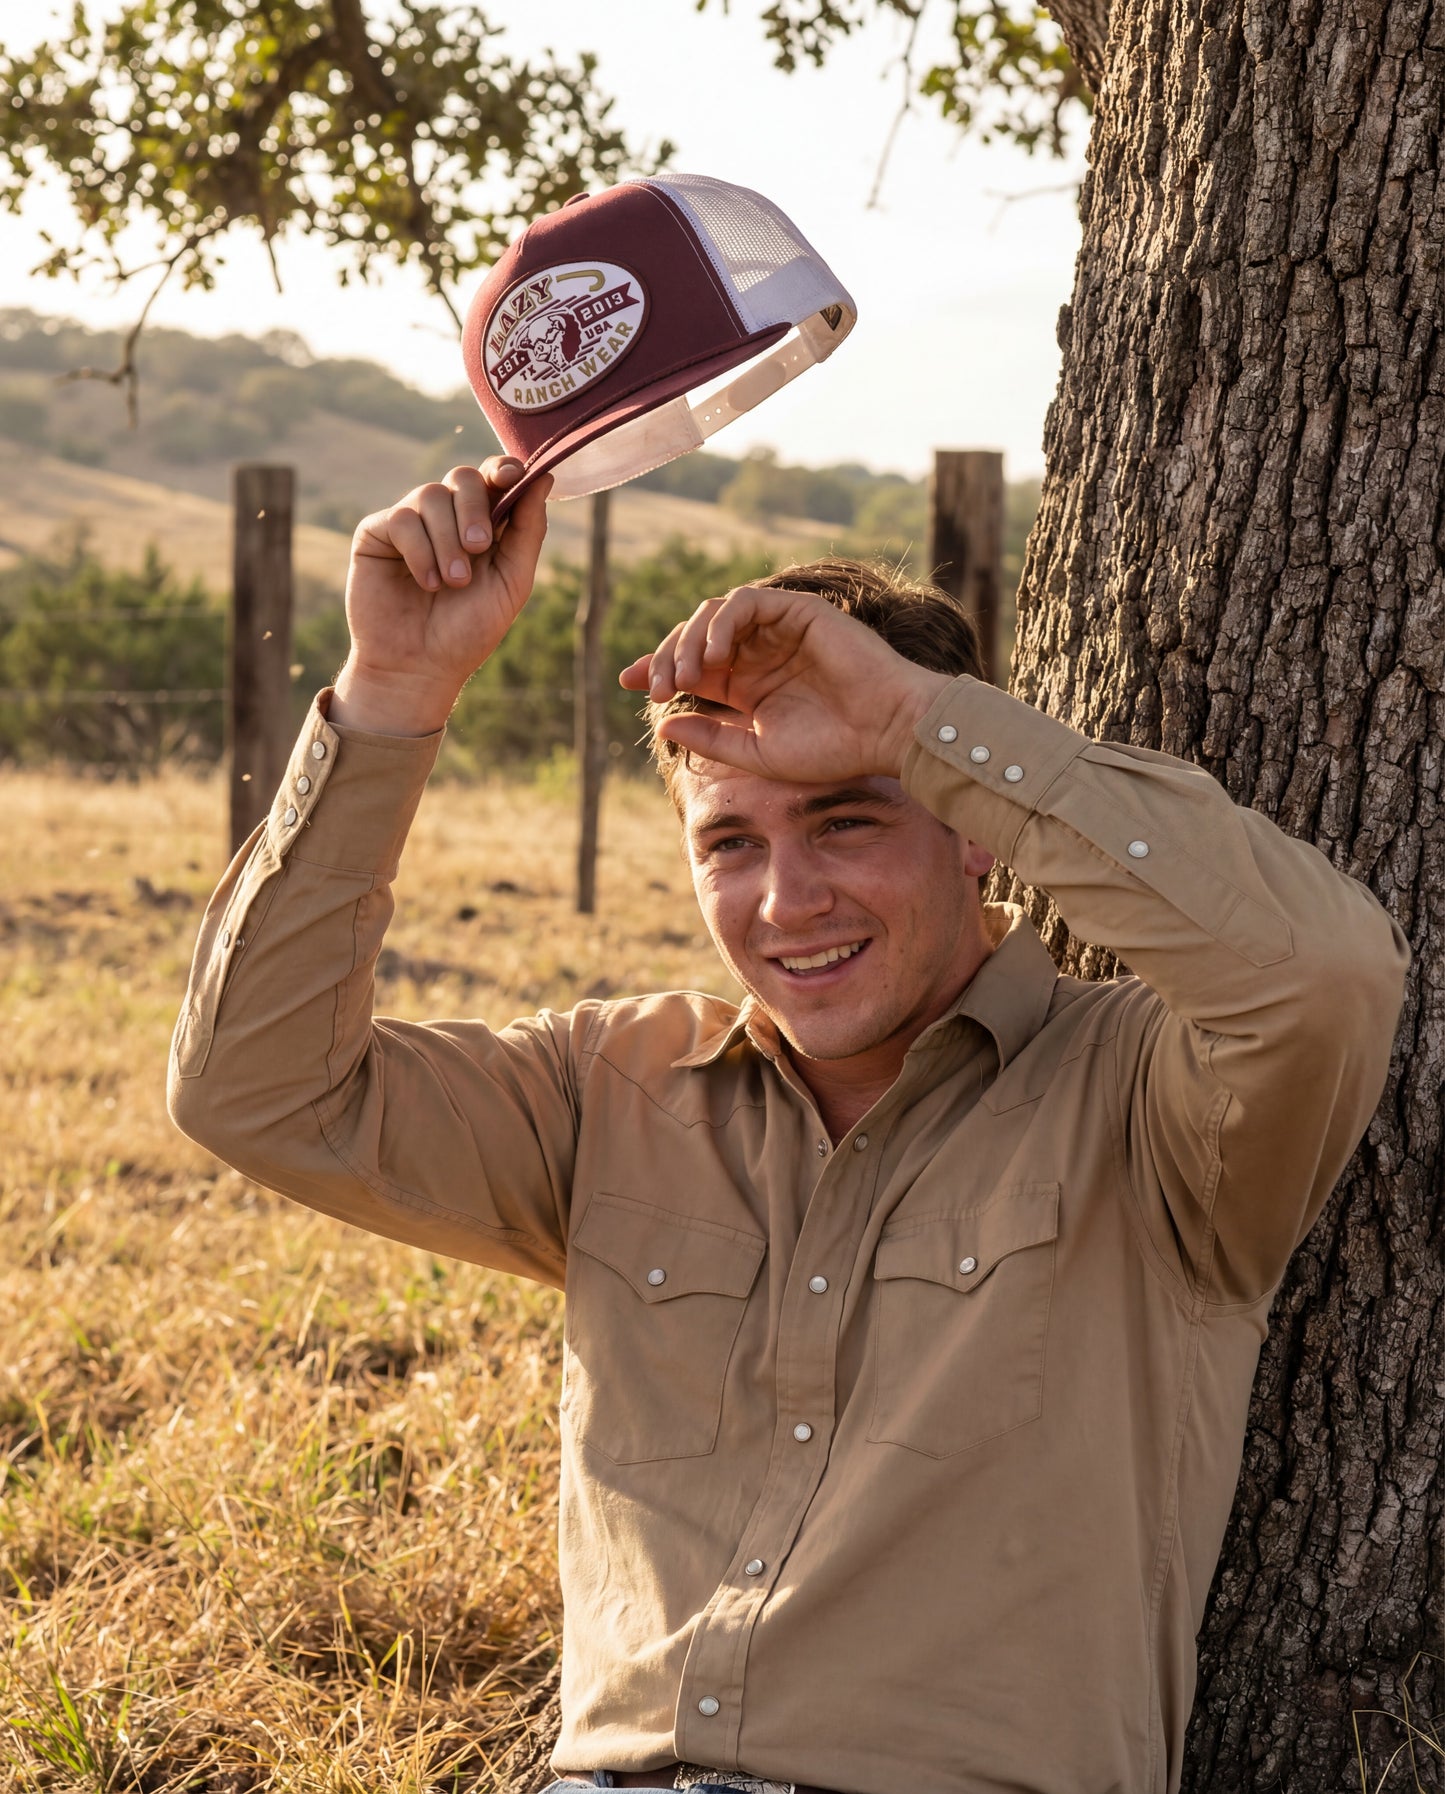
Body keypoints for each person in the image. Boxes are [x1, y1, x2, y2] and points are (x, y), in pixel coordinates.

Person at [168, 457, 1409, 1794]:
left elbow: (1323, 975)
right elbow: (255, 1085)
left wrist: (917, 719)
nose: (786, 901)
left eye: (846, 819)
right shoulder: (611, 1087)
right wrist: (394, 693)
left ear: (977, 831)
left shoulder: (1149, 1101)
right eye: (731, 845)